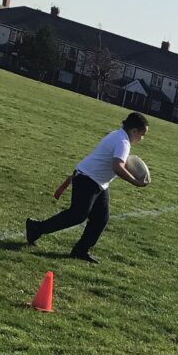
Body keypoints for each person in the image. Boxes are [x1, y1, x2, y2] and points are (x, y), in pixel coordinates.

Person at [25, 112, 150, 264]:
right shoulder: (123, 142)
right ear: (134, 131)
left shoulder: (117, 135)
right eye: (142, 135)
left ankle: (80, 250)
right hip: (87, 179)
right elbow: (117, 167)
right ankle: (36, 228)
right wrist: (136, 182)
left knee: (100, 218)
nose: (141, 138)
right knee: (77, 215)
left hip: (97, 182)